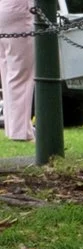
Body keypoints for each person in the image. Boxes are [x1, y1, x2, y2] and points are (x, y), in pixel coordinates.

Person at [2, 0, 34, 145]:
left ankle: (14, 128)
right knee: (22, 74)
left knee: (8, 72)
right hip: (19, 12)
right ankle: (20, 132)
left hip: (4, 11)